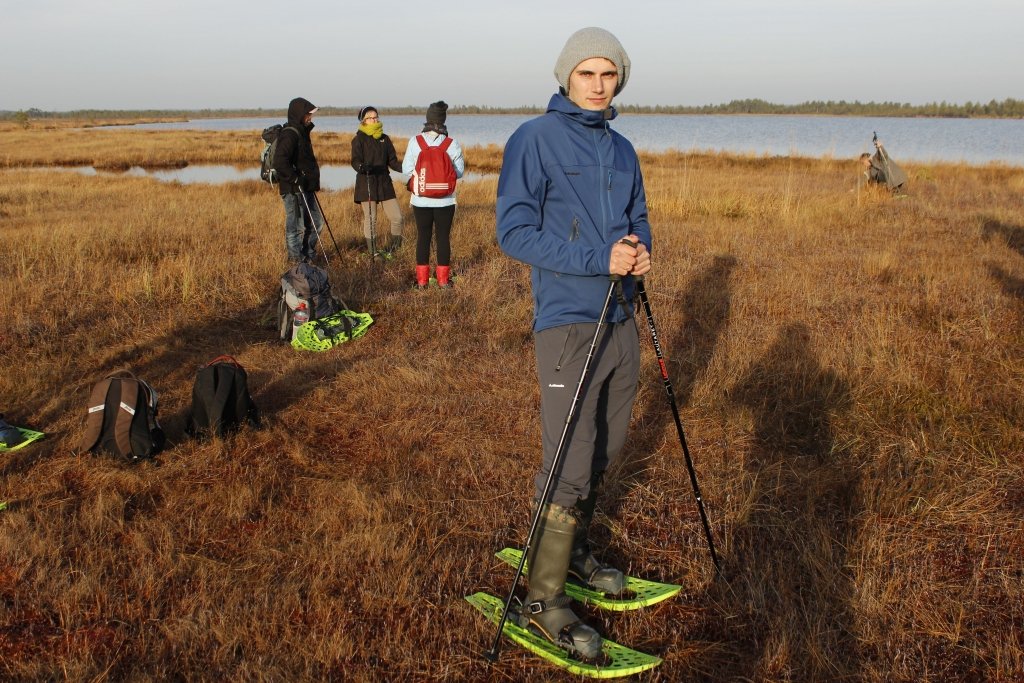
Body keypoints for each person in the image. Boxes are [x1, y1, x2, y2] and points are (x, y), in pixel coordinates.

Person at [495, 27, 651, 659]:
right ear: (567, 77)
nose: (597, 83)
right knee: (569, 456)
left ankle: (576, 553)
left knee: (606, 447)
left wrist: (640, 252)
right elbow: (513, 232)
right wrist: (598, 257)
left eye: (607, 74)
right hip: (567, 322)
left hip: (621, 321)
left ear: (619, 80)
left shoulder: (623, 149)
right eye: (586, 73)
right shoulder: (533, 139)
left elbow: (637, 216)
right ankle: (543, 599)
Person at [401, 101, 465, 289]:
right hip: (446, 200)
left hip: (420, 199)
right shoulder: (451, 143)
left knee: (423, 237)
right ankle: (443, 281)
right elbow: (459, 172)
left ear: (427, 119)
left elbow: (406, 169)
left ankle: (422, 282)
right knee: (443, 238)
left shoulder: (415, 142)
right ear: (443, 120)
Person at [273, 97, 323, 262]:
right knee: (296, 228)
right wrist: (295, 179)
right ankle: (295, 260)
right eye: (308, 113)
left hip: (306, 187)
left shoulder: (303, 132)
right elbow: (279, 161)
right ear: (299, 114)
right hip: (293, 190)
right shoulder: (289, 134)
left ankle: (307, 256)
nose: (310, 117)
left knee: (316, 223)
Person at [351, 106, 404, 256]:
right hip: (366, 183)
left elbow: (393, 162)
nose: (375, 120)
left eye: (376, 117)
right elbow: (355, 161)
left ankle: (394, 251)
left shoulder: (384, 138)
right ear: (364, 121)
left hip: (384, 183)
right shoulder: (358, 139)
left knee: (397, 218)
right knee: (371, 219)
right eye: (371, 118)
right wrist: (361, 167)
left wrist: (408, 167)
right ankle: (373, 253)